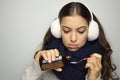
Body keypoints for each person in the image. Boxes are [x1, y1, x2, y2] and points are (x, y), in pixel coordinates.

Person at [18, 2, 119, 80]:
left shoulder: (99, 60)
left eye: (81, 31)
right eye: (66, 31)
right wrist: (36, 66)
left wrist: (93, 78)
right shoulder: (47, 53)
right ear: (57, 30)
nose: (73, 39)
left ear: (91, 31)